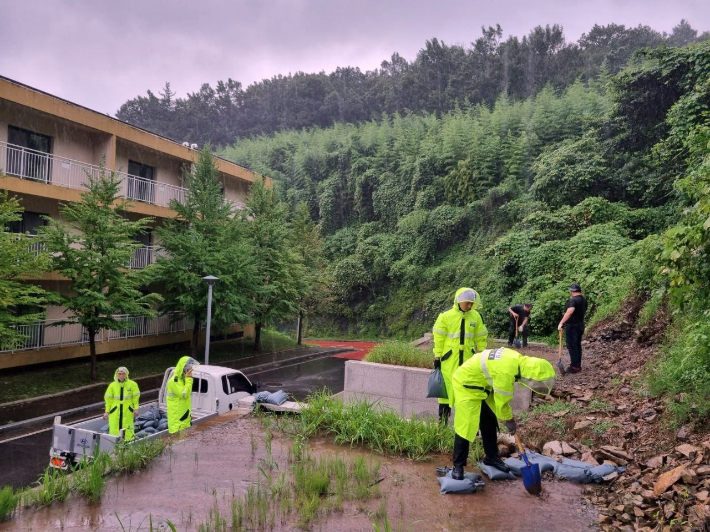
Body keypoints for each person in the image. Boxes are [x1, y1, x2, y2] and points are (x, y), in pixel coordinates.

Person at [450, 347, 555, 480]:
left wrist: (507, 418)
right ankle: (458, 466)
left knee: (489, 421)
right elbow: (502, 404)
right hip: (466, 384)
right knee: (466, 425)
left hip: (483, 385)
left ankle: (491, 457)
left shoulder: (517, 360)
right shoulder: (506, 373)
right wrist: (509, 420)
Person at [432, 287, 488, 425]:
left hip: (468, 360)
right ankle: (443, 424)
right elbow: (438, 338)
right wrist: (437, 357)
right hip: (449, 360)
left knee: (467, 392)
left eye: (471, 303)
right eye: (467, 303)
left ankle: (465, 426)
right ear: (459, 301)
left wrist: (482, 354)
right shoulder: (446, 316)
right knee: (446, 392)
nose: (469, 306)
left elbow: (481, 337)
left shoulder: (476, 316)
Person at [103, 366, 140, 441]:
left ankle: (128, 442)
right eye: (119, 374)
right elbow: (108, 399)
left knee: (128, 426)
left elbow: (135, 398)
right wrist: (107, 411)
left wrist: (136, 408)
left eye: (123, 374)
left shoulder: (133, 384)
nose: (121, 376)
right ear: (116, 374)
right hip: (115, 410)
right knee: (114, 426)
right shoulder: (112, 385)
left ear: (126, 374)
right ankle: (114, 442)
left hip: (127, 409)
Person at [558, 283, 588, 374]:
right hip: (580, 325)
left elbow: (569, 312)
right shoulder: (584, 300)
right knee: (577, 346)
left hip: (572, 327)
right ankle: (577, 365)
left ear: (572, 291)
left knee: (572, 346)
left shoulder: (573, 300)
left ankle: (574, 366)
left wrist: (561, 323)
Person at [167, 356, 199, 434]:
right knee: (179, 442)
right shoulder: (174, 381)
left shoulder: (181, 380)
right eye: (189, 369)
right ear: (183, 369)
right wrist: (189, 379)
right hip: (178, 420)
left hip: (184, 417)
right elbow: (184, 394)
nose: (190, 371)